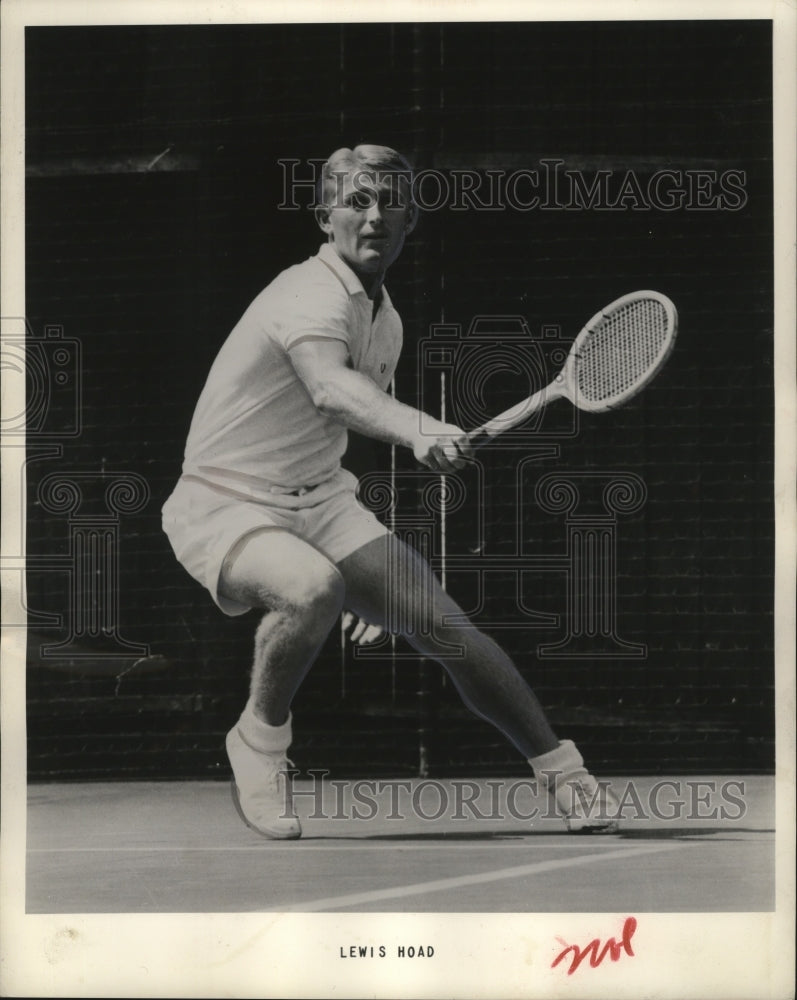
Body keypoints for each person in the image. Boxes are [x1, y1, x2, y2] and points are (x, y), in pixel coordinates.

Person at [162, 144, 620, 839]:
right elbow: (328, 385)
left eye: (390, 202)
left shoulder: (386, 318)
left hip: (320, 502)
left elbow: (351, 419)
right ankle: (258, 741)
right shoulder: (306, 292)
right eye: (356, 201)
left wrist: (365, 564)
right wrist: (416, 427)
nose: (374, 217)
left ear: (412, 219)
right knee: (311, 589)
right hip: (225, 500)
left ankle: (564, 774)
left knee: (444, 626)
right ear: (324, 215)